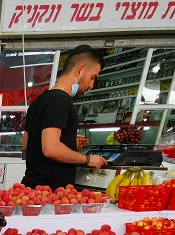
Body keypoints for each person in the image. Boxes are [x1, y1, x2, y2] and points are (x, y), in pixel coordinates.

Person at [22, 45, 109, 190]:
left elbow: (27, 144)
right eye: (93, 77)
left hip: (31, 189)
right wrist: (88, 160)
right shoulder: (61, 101)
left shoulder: (39, 101)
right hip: (51, 193)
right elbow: (51, 149)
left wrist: (67, 141)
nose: (92, 85)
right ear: (80, 70)